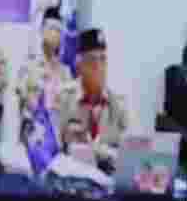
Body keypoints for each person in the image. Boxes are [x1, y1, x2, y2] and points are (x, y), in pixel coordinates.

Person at [53, 28, 131, 172]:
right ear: (79, 66)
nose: (99, 67)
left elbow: (130, 152)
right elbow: (54, 149)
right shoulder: (63, 97)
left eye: (103, 59)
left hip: (108, 176)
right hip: (72, 176)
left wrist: (98, 150)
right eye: (92, 60)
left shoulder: (118, 102)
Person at [15, 6, 72, 130]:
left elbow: (68, 108)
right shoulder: (29, 66)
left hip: (57, 134)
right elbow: (22, 99)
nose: (55, 34)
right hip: (34, 133)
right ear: (42, 30)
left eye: (58, 30)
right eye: (51, 28)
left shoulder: (65, 72)